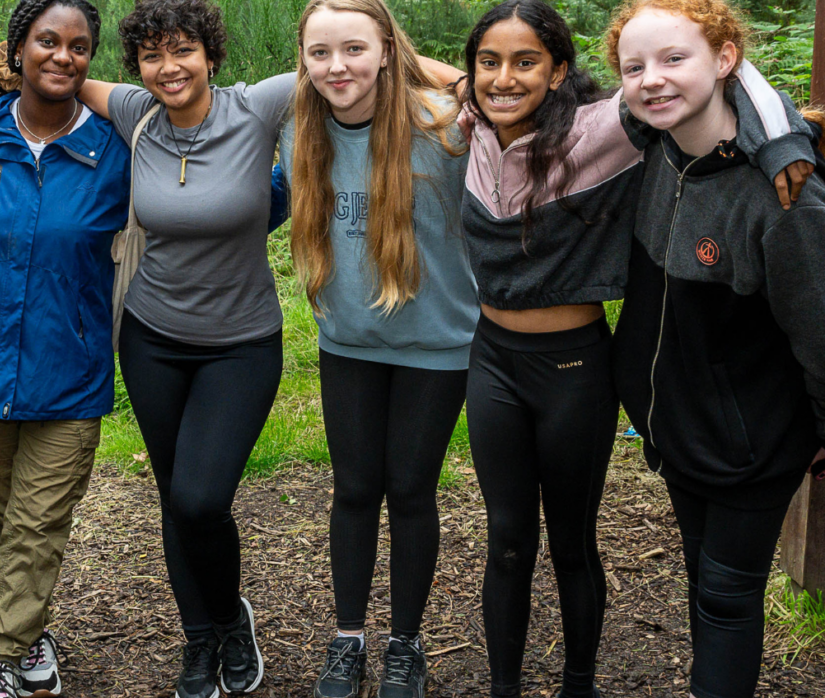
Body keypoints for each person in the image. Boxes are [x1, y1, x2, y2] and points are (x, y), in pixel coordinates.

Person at [419, 1, 814, 696]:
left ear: (561, 70)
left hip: (582, 368)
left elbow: (722, 77)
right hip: (511, 367)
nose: (504, 77)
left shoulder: (613, 129)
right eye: (489, 62)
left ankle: (580, 684)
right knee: (508, 540)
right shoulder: (481, 116)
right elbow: (429, 68)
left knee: (580, 543)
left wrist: (782, 140)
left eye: (526, 62)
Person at [65, 0, 302, 694]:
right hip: (151, 337)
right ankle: (201, 638)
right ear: (138, 65)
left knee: (202, 499)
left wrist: (471, 81)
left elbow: (361, 61)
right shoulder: (137, 111)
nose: (169, 68)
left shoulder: (255, 109)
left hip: (242, 342)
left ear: (209, 54)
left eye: (182, 51)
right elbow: (63, 71)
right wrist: (3, 71)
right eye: (152, 55)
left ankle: (230, 615)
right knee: (175, 498)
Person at [606, 2, 825, 696]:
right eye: (634, 66)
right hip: (679, 427)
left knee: (728, 601)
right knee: (705, 583)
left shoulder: (783, 194)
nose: (652, 80)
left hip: (752, 444)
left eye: (675, 59)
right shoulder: (654, 146)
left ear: (726, 59)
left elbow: (819, 326)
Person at [270, 1, 473, 696]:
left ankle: (405, 644)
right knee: (355, 489)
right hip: (349, 341)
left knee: (411, 491)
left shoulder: (444, 127)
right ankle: (347, 638)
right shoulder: (301, 125)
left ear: (388, 49)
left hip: (437, 345)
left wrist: (450, 78)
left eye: (354, 49)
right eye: (319, 52)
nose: (336, 67)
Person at [0, 2, 123, 697]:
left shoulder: (113, 148)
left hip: (68, 373)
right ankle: (31, 629)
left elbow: (223, 183)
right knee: (6, 517)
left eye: (79, 47)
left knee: (39, 521)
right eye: (48, 41)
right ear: (18, 48)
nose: (63, 57)